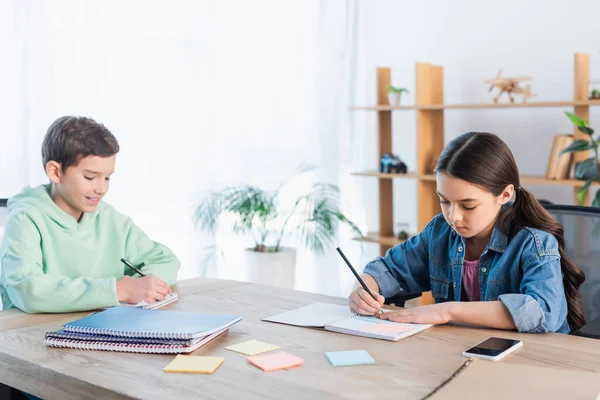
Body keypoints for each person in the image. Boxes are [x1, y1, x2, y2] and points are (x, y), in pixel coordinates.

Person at [349, 131, 585, 333]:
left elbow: (543, 311)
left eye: (468, 205)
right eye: (444, 201)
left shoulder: (533, 243)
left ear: (504, 195)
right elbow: (389, 269)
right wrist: (363, 289)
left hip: (529, 364)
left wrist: (449, 310)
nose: (453, 216)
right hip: (462, 353)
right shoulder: (439, 231)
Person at [0, 116, 180, 313]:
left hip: (105, 332)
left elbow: (165, 260)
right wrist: (117, 290)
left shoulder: (110, 219)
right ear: (55, 172)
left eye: (107, 178)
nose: (101, 189)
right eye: (90, 177)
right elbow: (29, 292)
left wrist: (140, 286)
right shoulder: (26, 218)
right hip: (34, 335)